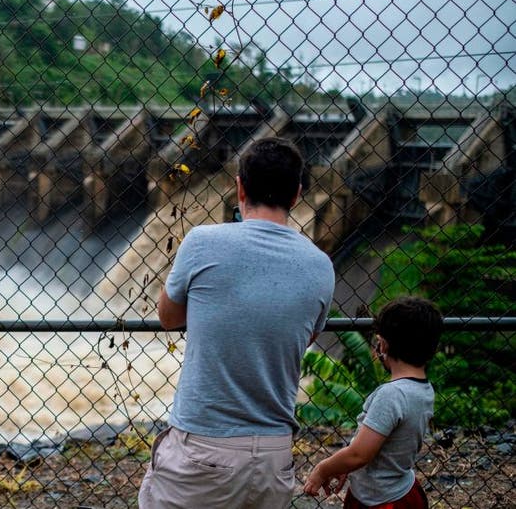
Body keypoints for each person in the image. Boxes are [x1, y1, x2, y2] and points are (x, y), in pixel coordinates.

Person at [138, 137, 336, 509]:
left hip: (203, 447)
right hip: (273, 455)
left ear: (239, 187)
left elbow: (168, 317)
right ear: (296, 195)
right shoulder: (320, 265)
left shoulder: (202, 242)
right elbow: (306, 334)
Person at [303, 296, 442, 509]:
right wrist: (347, 466)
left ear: (383, 344)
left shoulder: (392, 395)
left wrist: (323, 469)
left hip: (379, 501)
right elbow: (380, 448)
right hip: (403, 491)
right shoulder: (423, 389)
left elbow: (359, 454)